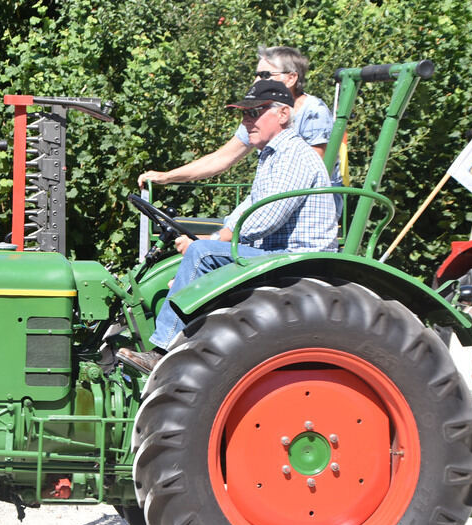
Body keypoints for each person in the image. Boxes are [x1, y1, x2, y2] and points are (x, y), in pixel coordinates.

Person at [118, 80, 338, 374]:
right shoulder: (272, 156)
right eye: (244, 114)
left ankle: (162, 351)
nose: (246, 121)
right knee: (200, 252)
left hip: (296, 259)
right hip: (278, 254)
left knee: (202, 254)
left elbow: (265, 218)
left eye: (255, 113)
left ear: (283, 114)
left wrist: (209, 243)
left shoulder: (293, 155)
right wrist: (214, 237)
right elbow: (247, 208)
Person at [136, 46, 333, 189]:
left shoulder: (313, 110)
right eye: (256, 74)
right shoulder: (261, 113)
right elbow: (222, 158)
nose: (256, 80)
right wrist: (168, 177)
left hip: (309, 200)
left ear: (291, 78)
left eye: (265, 75)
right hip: (276, 193)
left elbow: (313, 168)